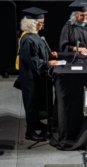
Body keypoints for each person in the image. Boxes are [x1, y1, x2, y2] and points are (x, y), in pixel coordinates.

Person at [17, 7, 59, 142]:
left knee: (37, 102)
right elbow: (32, 61)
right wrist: (47, 63)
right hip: (30, 78)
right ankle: (30, 132)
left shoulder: (34, 36)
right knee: (31, 104)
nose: (43, 24)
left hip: (37, 77)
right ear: (33, 23)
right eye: (41, 22)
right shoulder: (27, 40)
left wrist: (48, 55)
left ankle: (36, 123)